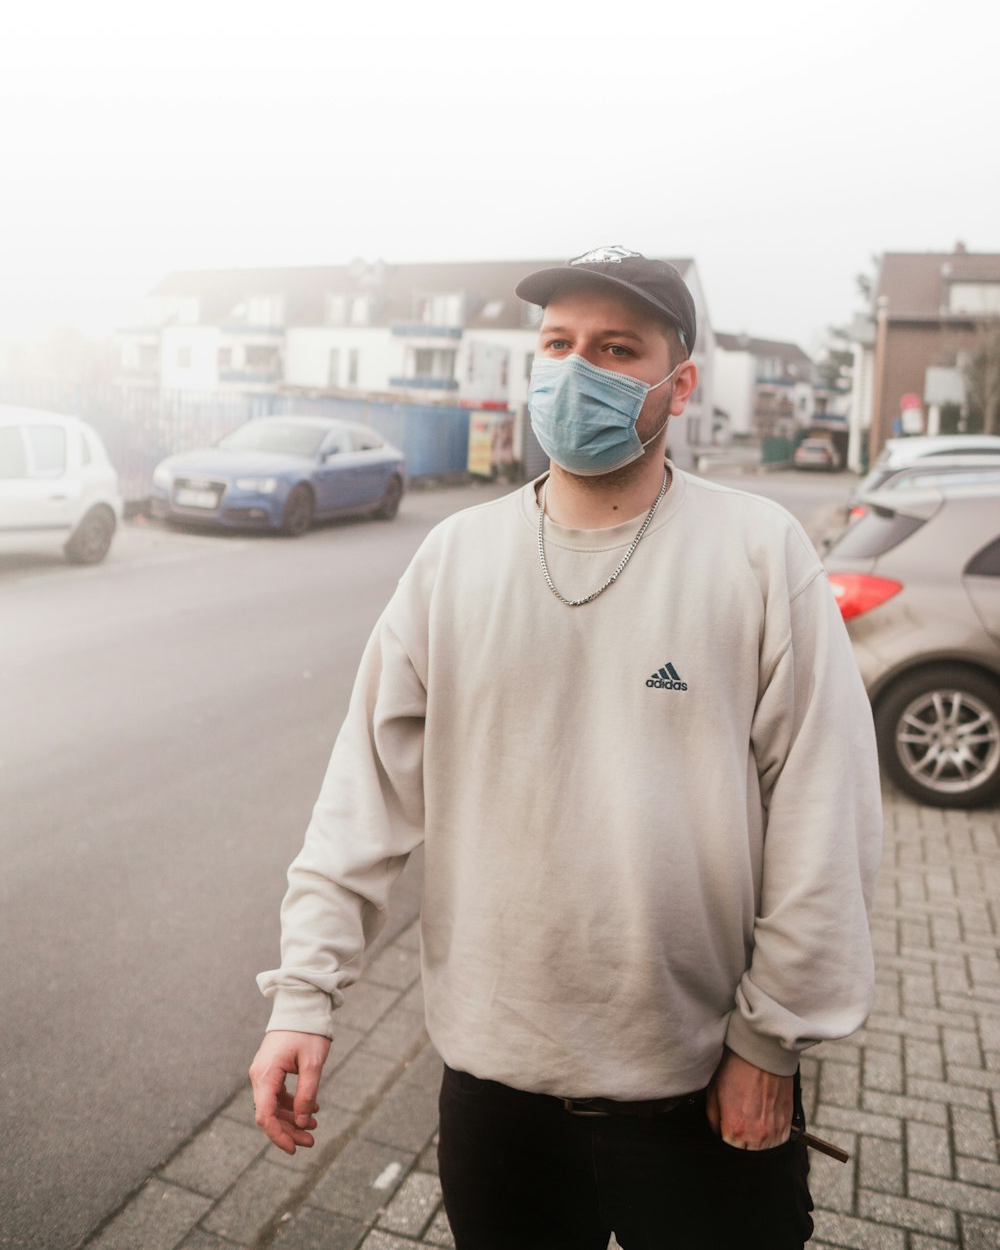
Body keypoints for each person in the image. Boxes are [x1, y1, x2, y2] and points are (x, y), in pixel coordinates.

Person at [250, 246, 882, 1249]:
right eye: (558, 344)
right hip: (496, 1106)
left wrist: (772, 1040)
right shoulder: (454, 558)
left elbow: (824, 813)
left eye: (614, 348)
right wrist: (304, 997)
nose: (574, 368)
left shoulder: (759, 554)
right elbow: (360, 796)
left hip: (704, 1093)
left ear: (678, 386)